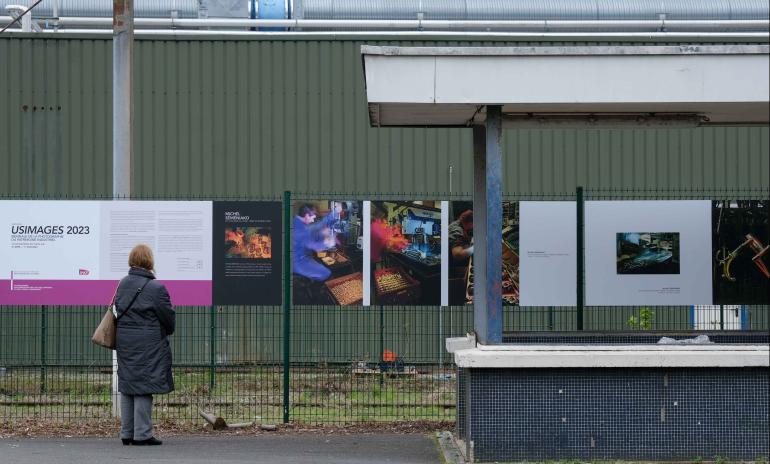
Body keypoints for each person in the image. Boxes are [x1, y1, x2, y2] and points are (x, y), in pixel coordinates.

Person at [115, 244, 175, 446]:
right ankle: (142, 434)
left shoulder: (122, 284)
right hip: (148, 344)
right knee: (144, 385)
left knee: (128, 384)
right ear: (149, 261)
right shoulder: (156, 288)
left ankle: (127, 433)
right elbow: (168, 319)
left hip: (124, 342)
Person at [293, 202, 341, 281]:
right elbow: (316, 247)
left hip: (301, 254)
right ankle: (316, 290)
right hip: (298, 262)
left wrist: (335, 212)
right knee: (326, 273)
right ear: (307, 215)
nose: (312, 221)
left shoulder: (296, 220)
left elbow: (316, 226)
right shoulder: (301, 230)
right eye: (312, 218)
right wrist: (328, 242)